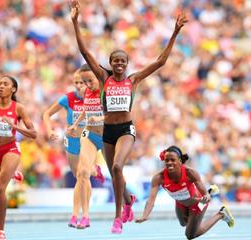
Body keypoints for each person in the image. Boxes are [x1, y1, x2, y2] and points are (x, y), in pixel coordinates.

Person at [70, 0, 188, 233]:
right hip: (107, 131)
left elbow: (160, 62)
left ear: (127, 64)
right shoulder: (104, 77)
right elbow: (84, 51)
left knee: (116, 167)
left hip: (125, 129)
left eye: (123, 61)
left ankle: (117, 218)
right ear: (111, 64)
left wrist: (175, 32)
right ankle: (128, 203)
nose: (120, 65)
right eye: (116, 61)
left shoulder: (133, 80)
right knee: (116, 172)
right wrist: (75, 21)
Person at [42, 67, 105, 228]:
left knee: (82, 175)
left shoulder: (95, 94)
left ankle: (80, 214)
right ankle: (94, 170)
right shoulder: (68, 98)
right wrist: (49, 130)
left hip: (88, 139)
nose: (79, 85)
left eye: (82, 82)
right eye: (76, 82)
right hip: (72, 140)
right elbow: (47, 114)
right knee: (79, 176)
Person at [0, 75, 37, 240]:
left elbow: (34, 134)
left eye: (5, 84)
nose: (1, 86)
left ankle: (0, 230)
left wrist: (14, 126)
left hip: (10, 149)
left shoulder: (19, 108)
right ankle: (12, 173)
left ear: (13, 89)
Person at [135, 146, 235, 240]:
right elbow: (151, 199)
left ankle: (221, 214)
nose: (169, 163)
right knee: (183, 223)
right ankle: (211, 191)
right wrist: (145, 215)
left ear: (179, 160)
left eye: (173, 160)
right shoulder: (158, 177)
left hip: (198, 203)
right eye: (167, 160)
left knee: (190, 235)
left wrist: (207, 196)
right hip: (180, 203)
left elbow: (205, 195)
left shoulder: (190, 173)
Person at [66, 64, 104, 229]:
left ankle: (126, 202)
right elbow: (86, 110)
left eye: (90, 80)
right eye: (83, 81)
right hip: (89, 134)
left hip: (108, 136)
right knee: (82, 173)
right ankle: (84, 216)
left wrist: (100, 118)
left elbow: (118, 114)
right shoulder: (86, 92)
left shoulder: (106, 90)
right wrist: (75, 124)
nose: (86, 85)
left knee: (117, 172)